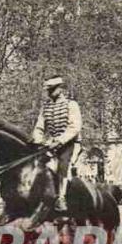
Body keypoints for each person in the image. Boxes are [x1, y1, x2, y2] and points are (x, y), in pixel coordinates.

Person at [32, 76, 82, 212]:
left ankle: (61, 197)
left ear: (60, 89)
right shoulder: (46, 107)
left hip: (70, 144)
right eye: (48, 90)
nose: (49, 92)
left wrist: (59, 141)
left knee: (62, 166)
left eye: (52, 89)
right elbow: (39, 127)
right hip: (52, 144)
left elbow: (74, 128)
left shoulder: (71, 105)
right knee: (37, 164)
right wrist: (38, 140)